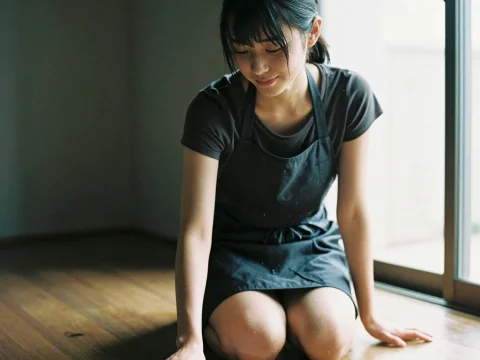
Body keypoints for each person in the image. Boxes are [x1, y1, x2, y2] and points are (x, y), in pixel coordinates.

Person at [168, 1, 433, 359]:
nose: (257, 67)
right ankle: (239, 321)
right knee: (258, 340)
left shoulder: (348, 95)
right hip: (234, 247)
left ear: (312, 32)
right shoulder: (213, 110)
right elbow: (196, 229)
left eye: (272, 48)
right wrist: (190, 341)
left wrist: (370, 315)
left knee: (331, 340)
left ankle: (288, 321)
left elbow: (352, 211)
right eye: (242, 50)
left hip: (310, 242)